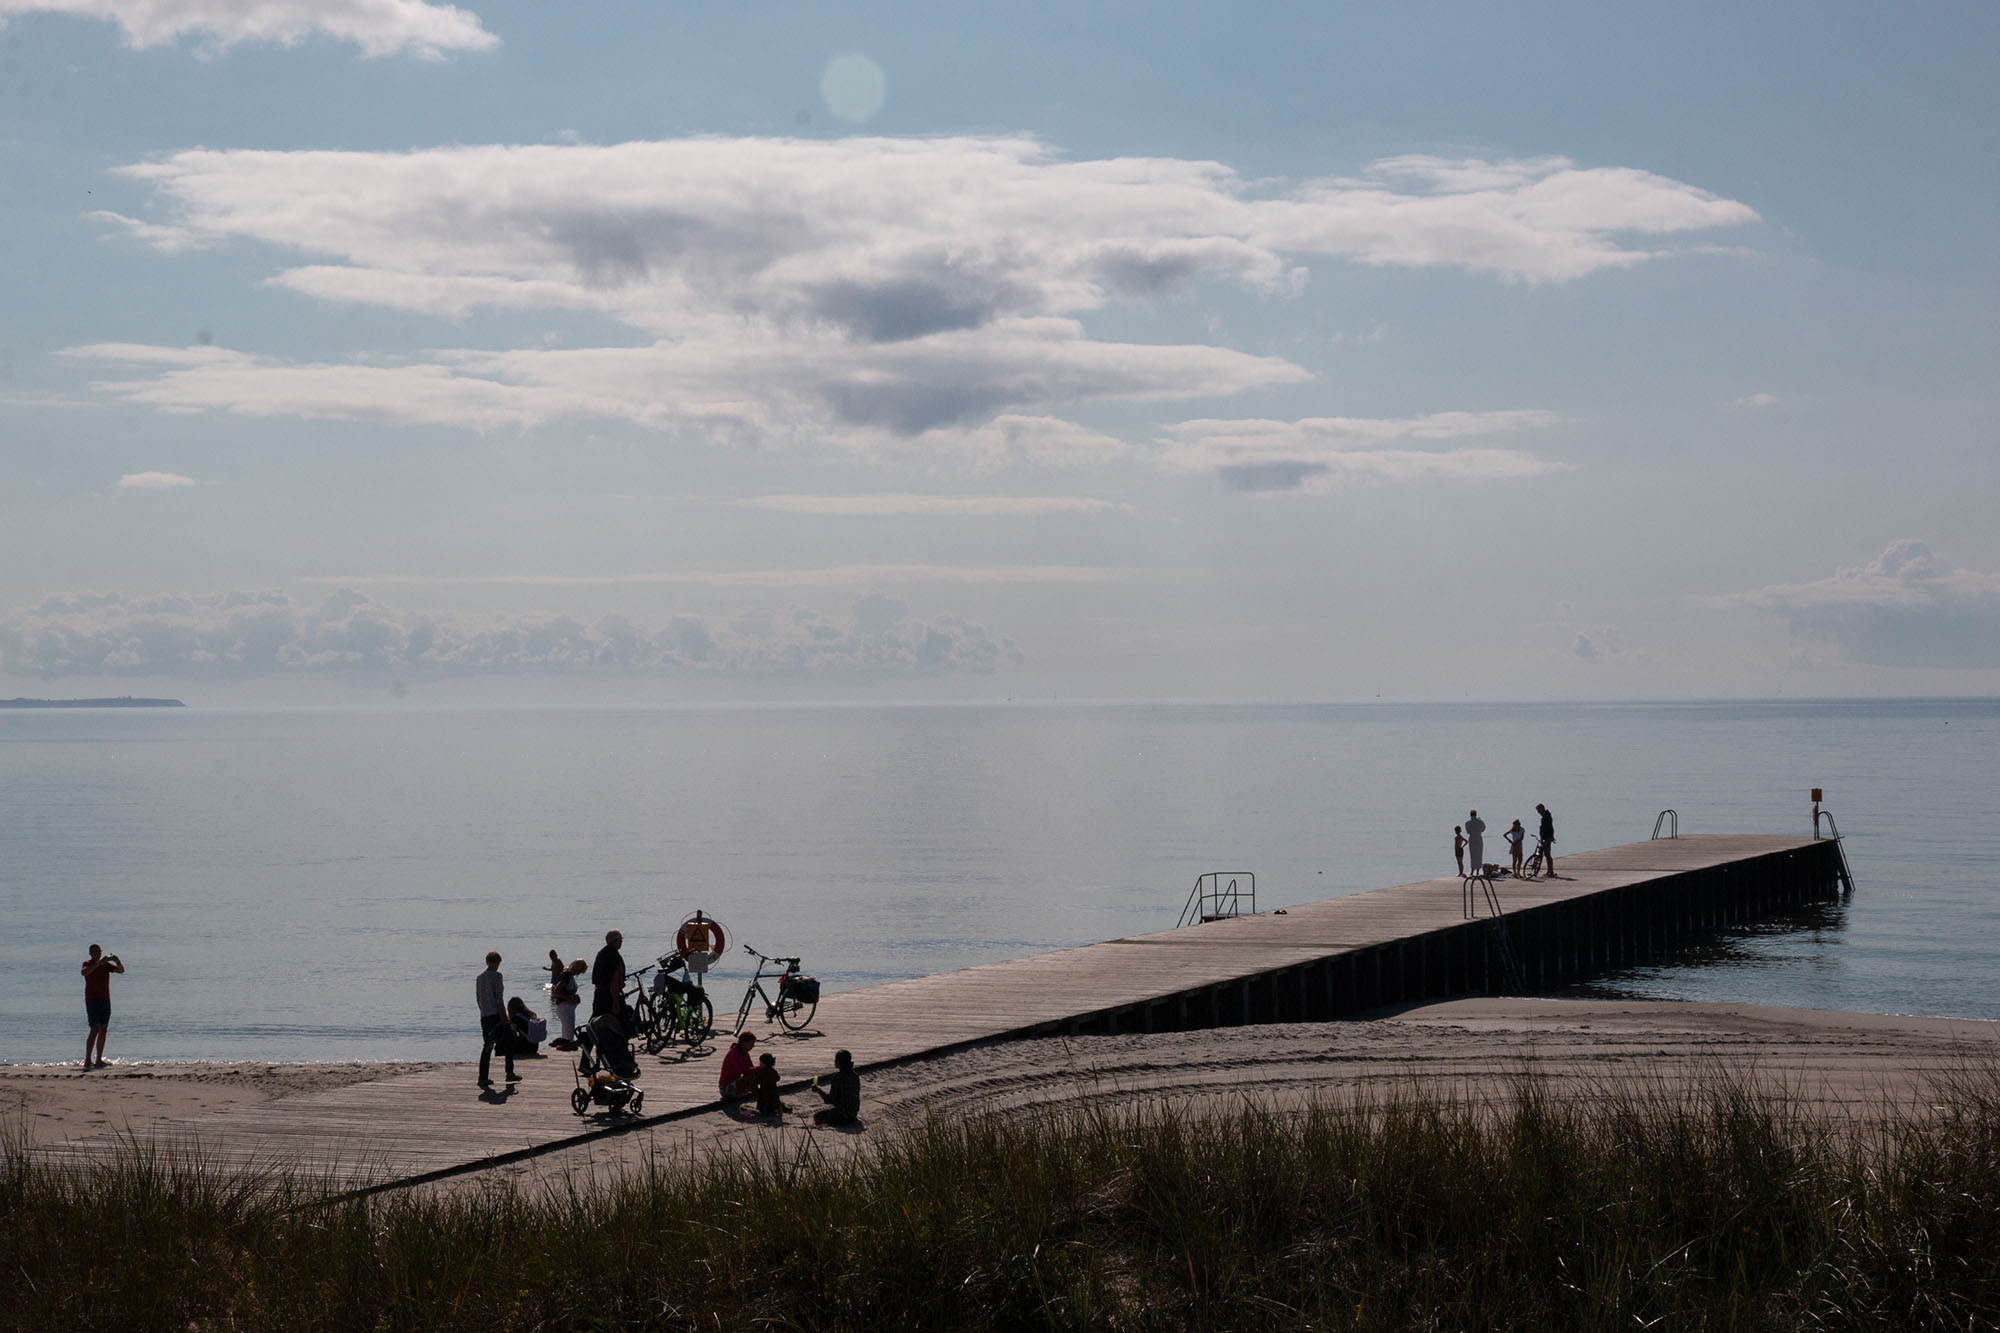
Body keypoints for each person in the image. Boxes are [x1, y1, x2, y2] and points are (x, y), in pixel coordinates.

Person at [476, 951, 521, 1089]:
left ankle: (483, 1077)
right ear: (497, 963)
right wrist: (505, 1018)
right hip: (496, 1015)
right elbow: (498, 999)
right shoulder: (497, 976)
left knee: (487, 1046)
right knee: (509, 1041)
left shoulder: (480, 978)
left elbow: (478, 998)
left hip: (485, 1015)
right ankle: (509, 1072)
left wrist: (483, 1011)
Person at [80, 943, 124, 1069]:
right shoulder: (87, 964)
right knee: (95, 1028)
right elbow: (84, 973)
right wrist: (99, 963)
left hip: (105, 999)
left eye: (98, 951)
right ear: (90, 953)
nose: (96, 954)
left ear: (100, 952)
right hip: (92, 1000)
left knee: (103, 1028)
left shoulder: (105, 965)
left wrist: (117, 960)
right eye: (93, 952)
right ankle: (88, 1059)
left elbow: (121, 970)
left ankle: (99, 1059)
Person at [811, 1049, 861, 1128]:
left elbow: (829, 1100)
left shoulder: (837, 1077)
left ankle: (823, 1126)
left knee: (817, 1116)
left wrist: (818, 1090)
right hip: (853, 1113)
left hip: (841, 1115)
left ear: (838, 1063)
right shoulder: (855, 1075)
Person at [549, 955, 585, 1049]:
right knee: (569, 1030)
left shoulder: (569, 976)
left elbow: (566, 991)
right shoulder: (566, 976)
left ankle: (566, 1044)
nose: (579, 973)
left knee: (567, 1029)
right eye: (579, 971)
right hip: (565, 1007)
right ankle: (568, 1045)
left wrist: (574, 997)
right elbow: (557, 990)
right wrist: (569, 999)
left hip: (567, 1007)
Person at [591, 929, 625, 1019]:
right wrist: (616, 1002)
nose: (622, 941)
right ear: (615, 941)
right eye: (620, 939)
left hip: (599, 994)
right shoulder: (613, 956)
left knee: (598, 1019)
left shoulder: (602, 953)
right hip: (608, 996)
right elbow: (613, 980)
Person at [718, 1030, 758, 1101]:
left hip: (735, 1083)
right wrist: (759, 1067)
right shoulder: (734, 1054)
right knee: (748, 1077)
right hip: (726, 1088)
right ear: (744, 1043)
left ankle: (758, 1095)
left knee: (757, 1074)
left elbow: (751, 1068)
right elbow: (743, 1071)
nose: (753, 1046)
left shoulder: (745, 1054)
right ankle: (756, 1094)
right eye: (751, 1044)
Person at [751, 1051, 789, 1117]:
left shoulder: (761, 1072)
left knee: (764, 1102)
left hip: (764, 1091)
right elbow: (778, 1078)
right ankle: (777, 1108)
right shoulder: (773, 1071)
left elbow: (755, 1081)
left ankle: (766, 1111)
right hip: (774, 1091)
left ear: (764, 1063)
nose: (759, 1064)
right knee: (775, 1101)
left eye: (760, 1062)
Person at [1536, 803, 1558, 878]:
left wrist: (1548, 837)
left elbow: (1549, 828)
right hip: (1545, 837)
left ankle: (1551, 871)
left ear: (1542, 808)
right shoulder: (1546, 816)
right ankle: (1549, 871)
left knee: (1548, 854)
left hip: (1546, 838)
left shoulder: (1546, 817)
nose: (1538, 812)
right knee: (1546, 854)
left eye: (1538, 810)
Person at [1463, 810, 1486, 877]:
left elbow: (1468, 831)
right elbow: (1483, 829)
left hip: (1472, 838)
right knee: (1479, 855)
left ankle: (1472, 871)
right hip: (1479, 838)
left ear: (1470, 815)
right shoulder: (1480, 822)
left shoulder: (1467, 823)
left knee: (1472, 855)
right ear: (1476, 814)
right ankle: (1478, 871)